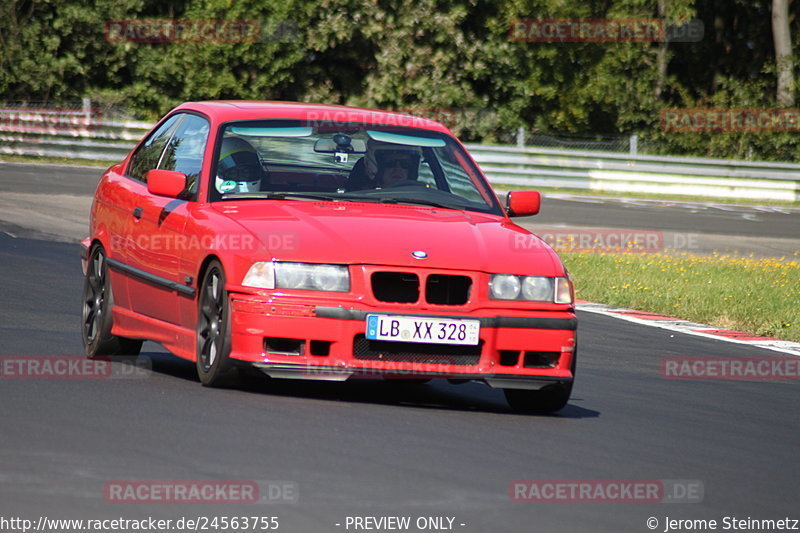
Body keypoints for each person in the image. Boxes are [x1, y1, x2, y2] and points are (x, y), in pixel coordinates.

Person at [346, 140, 421, 190]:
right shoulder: (359, 198)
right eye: (390, 163)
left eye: (405, 164)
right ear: (372, 166)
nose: (398, 169)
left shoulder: (423, 199)